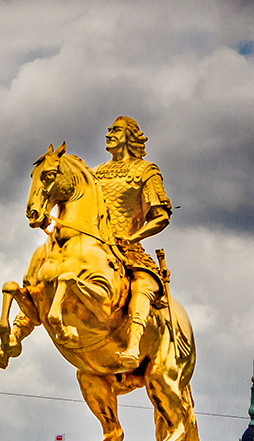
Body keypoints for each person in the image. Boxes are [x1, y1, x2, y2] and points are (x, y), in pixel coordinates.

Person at [91, 115, 173, 369]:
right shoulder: (96, 172)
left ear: (129, 136)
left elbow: (161, 216)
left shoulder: (145, 171)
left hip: (128, 249)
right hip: (96, 246)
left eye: (115, 129)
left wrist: (132, 237)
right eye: (108, 129)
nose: (108, 133)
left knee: (141, 285)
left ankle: (134, 345)